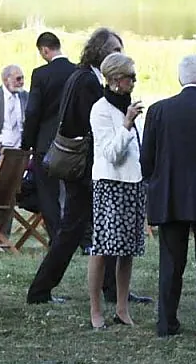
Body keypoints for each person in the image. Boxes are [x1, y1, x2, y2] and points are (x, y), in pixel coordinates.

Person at [27, 28, 125, 306]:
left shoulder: (86, 77)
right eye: (115, 50)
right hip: (84, 169)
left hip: (87, 168)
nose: (120, 55)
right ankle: (41, 290)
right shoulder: (86, 81)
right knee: (74, 231)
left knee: (86, 229)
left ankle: (108, 288)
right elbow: (92, 124)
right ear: (101, 51)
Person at [141, 54, 196, 336]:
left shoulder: (158, 110)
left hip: (170, 194)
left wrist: (158, 181)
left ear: (179, 79)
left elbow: (146, 158)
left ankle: (166, 321)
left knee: (171, 262)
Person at [87, 52, 145, 330]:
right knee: (103, 247)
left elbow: (138, 149)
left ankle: (122, 307)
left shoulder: (130, 106)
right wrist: (126, 124)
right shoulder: (100, 109)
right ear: (113, 80)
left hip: (133, 183)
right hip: (110, 183)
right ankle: (95, 308)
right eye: (129, 77)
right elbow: (111, 152)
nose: (133, 81)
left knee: (127, 249)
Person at [22, 31, 77, 245]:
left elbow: (33, 111)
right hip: (73, 139)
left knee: (48, 193)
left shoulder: (41, 74)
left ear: (45, 50)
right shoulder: (77, 72)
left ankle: (56, 238)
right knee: (73, 192)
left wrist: (27, 143)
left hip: (46, 141)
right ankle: (77, 236)